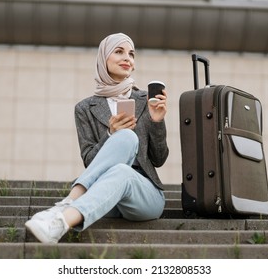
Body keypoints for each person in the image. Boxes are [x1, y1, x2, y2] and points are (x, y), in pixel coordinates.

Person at [25, 33, 169, 243]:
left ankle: (63, 216)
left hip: (144, 195)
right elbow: (90, 162)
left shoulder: (146, 101)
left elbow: (159, 159)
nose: (127, 58)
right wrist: (110, 135)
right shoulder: (84, 109)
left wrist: (157, 122)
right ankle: (66, 209)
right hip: (104, 191)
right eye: (119, 52)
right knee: (125, 141)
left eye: (131, 54)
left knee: (124, 165)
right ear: (103, 59)